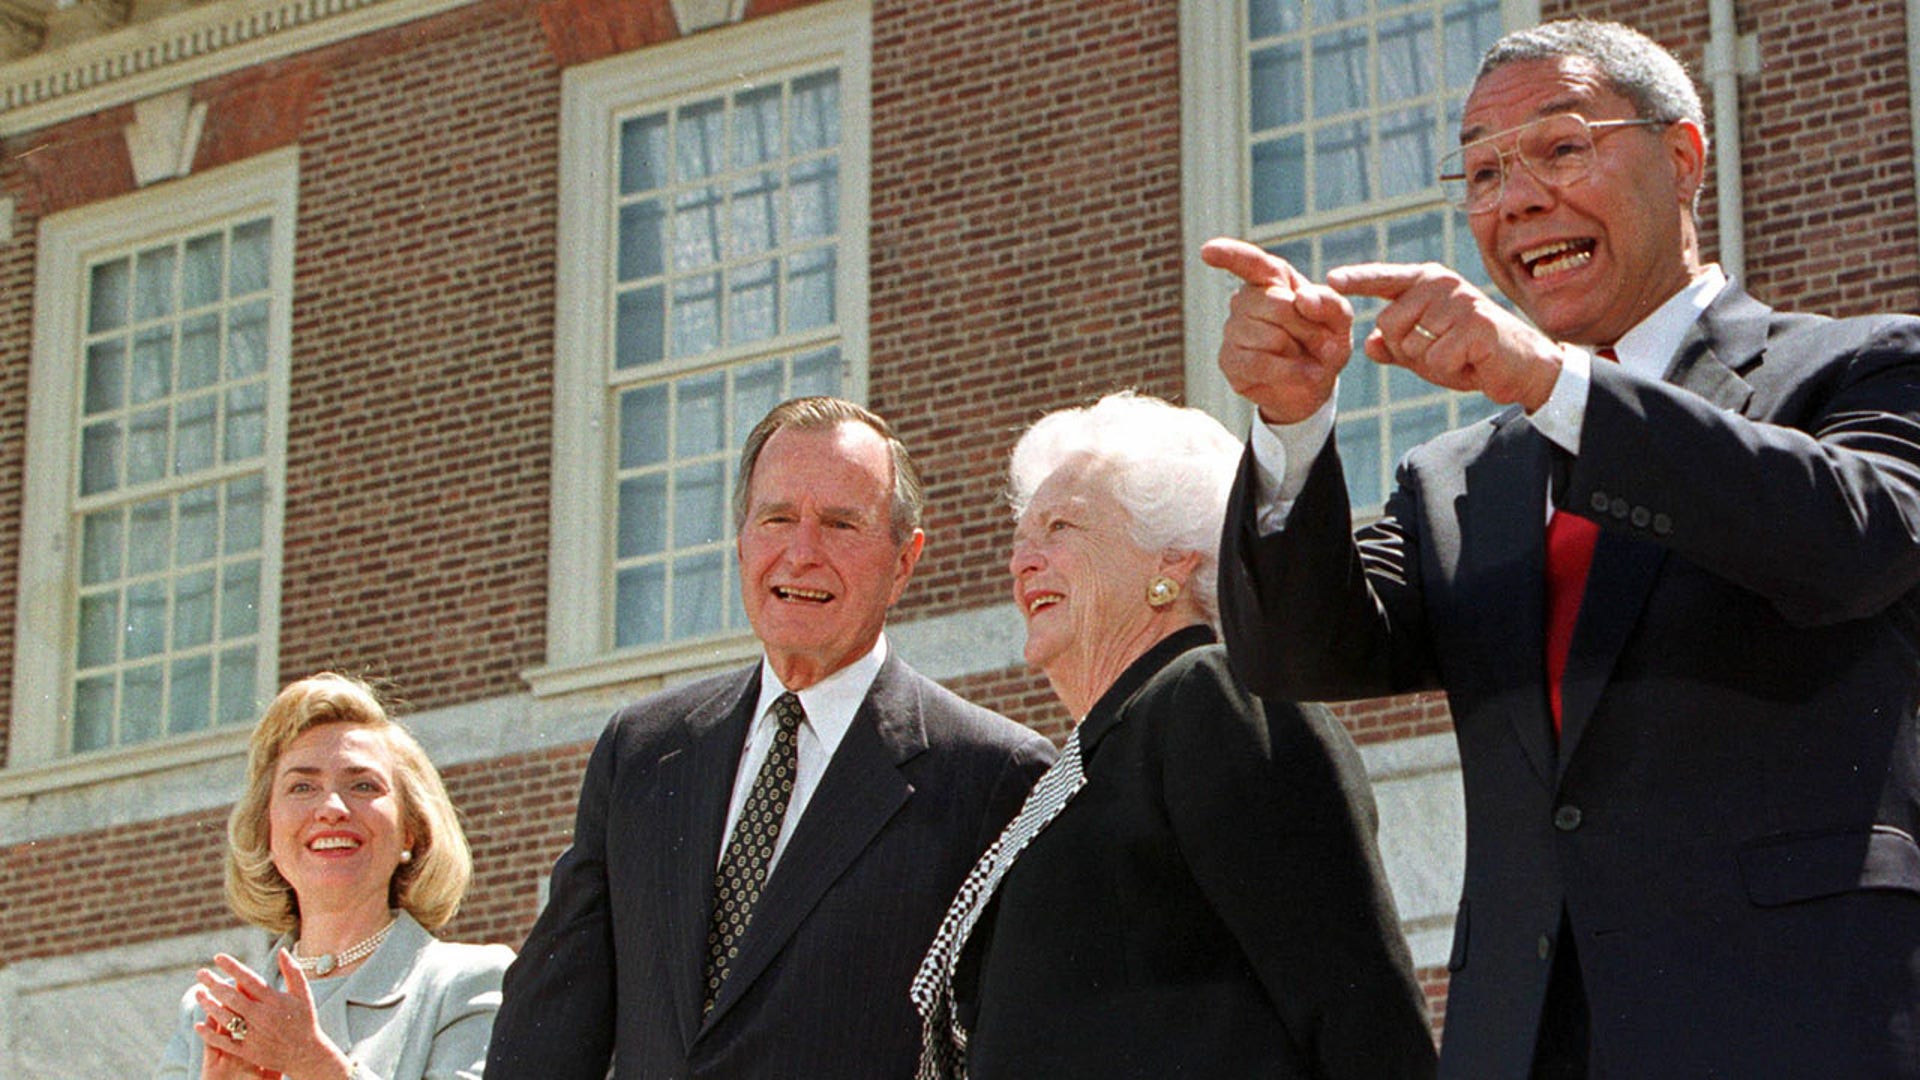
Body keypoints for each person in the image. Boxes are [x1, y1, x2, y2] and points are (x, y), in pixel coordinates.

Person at [1204, 17, 1920, 1080]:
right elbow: (1302, 653)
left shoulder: (1855, 370)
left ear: (1682, 158)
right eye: (1484, 172)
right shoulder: (1458, 478)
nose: (1517, 198)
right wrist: (1292, 424)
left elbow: (1849, 538)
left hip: (1797, 1025)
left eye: (1561, 147)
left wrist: (1551, 384)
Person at [485, 396, 1056, 1079]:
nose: (801, 553)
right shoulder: (642, 750)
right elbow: (550, 1030)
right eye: (778, 518)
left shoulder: (993, 776)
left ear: (904, 562)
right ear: (741, 541)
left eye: (842, 524)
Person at [912, 392, 1435, 1080]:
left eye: (1061, 527)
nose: (1023, 562)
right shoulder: (1087, 763)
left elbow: (1361, 1011)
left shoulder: (1211, 699)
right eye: (1021, 539)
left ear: (1173, 561)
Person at [157, 672, 513, 1080]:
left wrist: (315, 1065)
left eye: (362, 785)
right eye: (302, 787)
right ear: (267, 831)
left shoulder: (468, 982)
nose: (331, 808)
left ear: (410, 830)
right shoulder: (209, 1012)